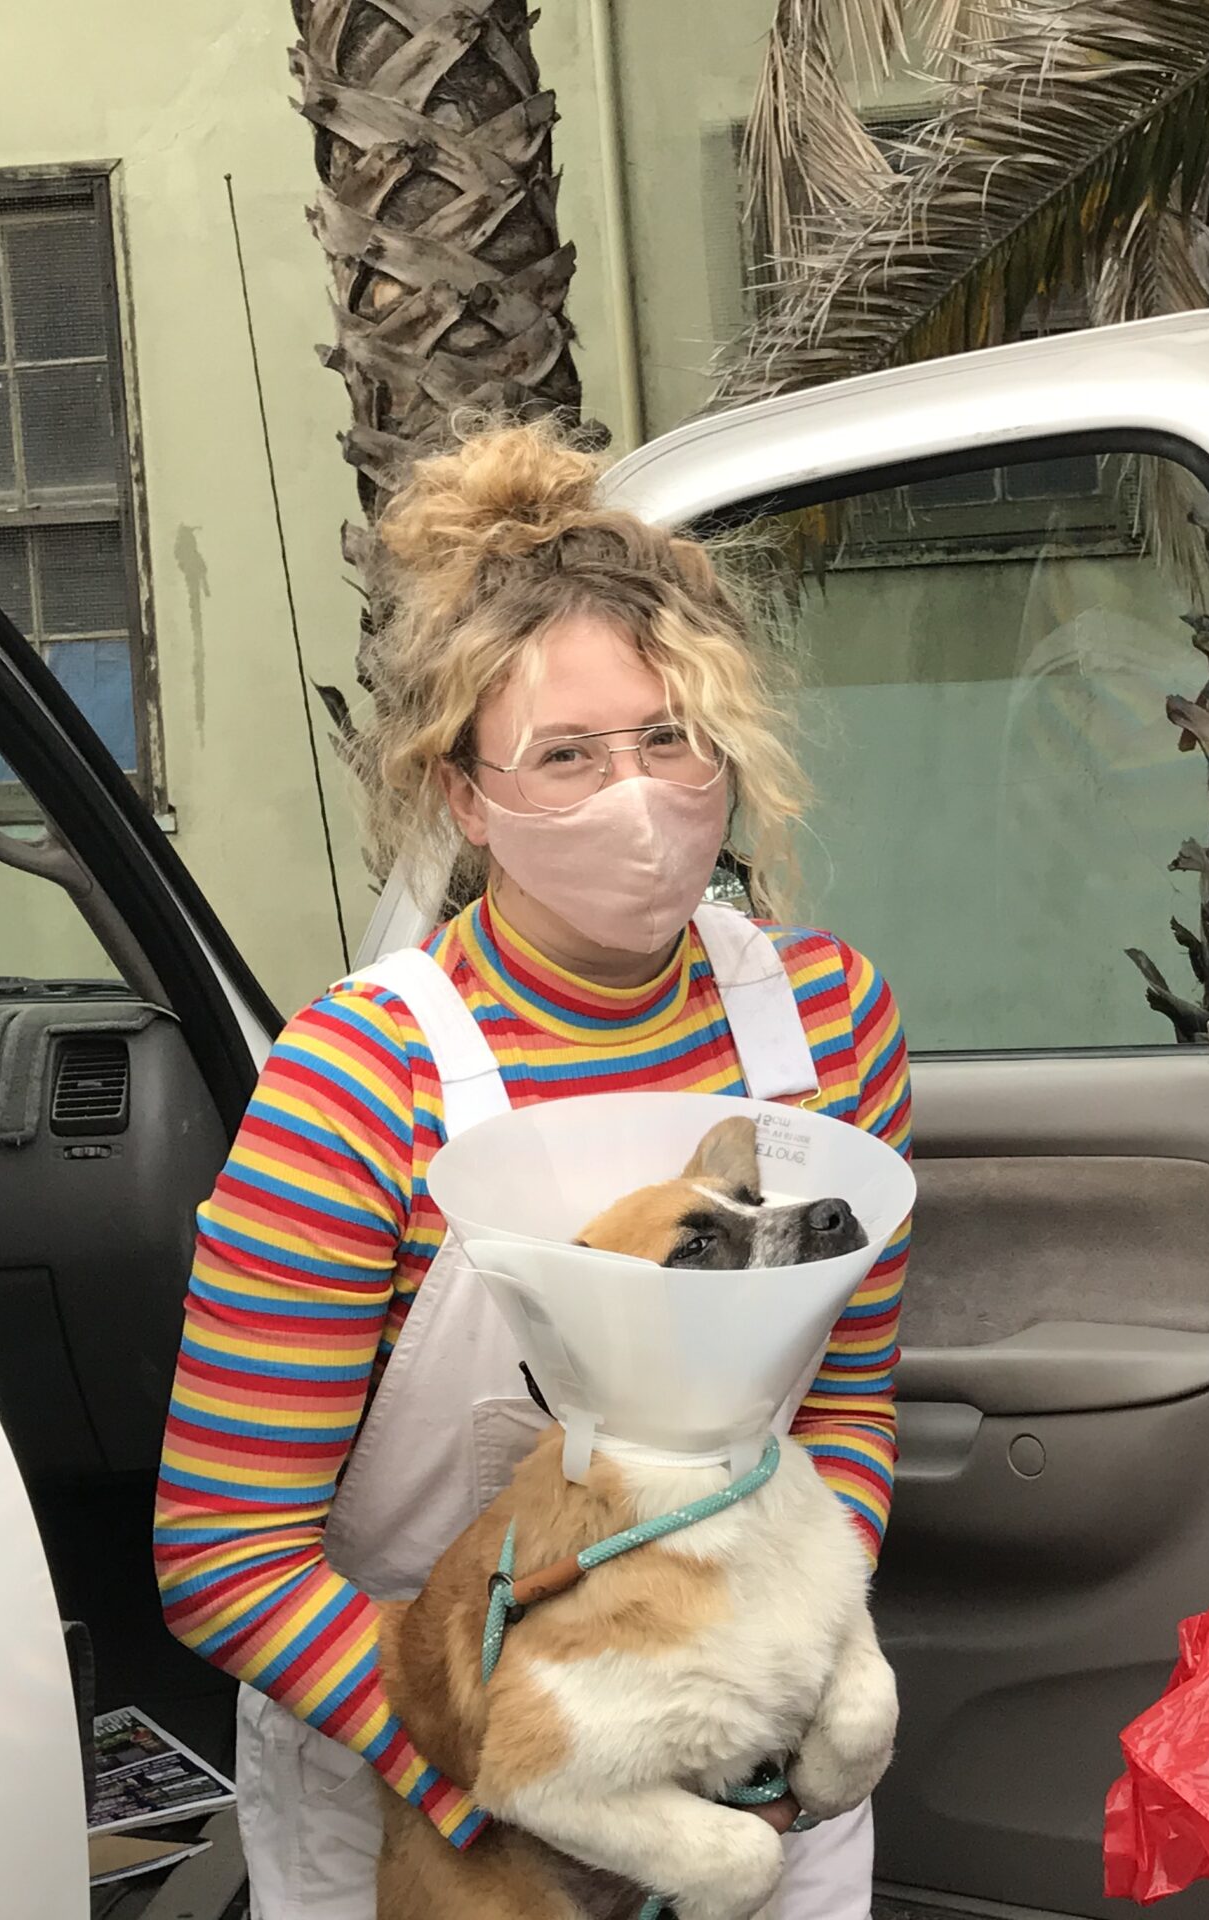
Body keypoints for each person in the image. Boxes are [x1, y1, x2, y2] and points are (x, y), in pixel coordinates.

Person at [153, 418, 910, 1919]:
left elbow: (846, 1407)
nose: (635, 792)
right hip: (427, 1802)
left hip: (748, 1771)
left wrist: (798, 1682)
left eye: (669, 739)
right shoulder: (357, 1084)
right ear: (464, 795)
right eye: (566, 754)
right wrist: (501, 1774)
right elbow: (225, 1552)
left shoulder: (828, 1022)